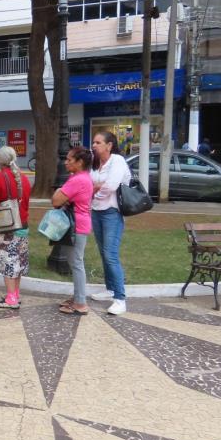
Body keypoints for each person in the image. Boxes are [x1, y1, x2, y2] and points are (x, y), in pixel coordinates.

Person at [90, 131, 132, 315]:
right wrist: (97, 190)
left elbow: (112, 185)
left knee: (110, 254)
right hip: (96, 212)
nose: (94, 145)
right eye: (93, 142)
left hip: (112, 212)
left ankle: (120, 298)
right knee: (103, 252)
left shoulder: (117, 161)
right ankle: (110, 289)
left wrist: (95, 193)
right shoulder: (95, 163)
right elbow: (89, 183)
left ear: (109, 145)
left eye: (98, 142)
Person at [0, 146, 31, 308]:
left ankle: (11, 299)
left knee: (8, 262)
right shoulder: (23, 178)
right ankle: (15, 294)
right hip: (23, 226)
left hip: (6, 228)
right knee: (18, 262)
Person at [52, 147, 94, 315]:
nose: (66, 162)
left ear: (80, 162)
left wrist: (58, 191)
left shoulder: (77, 180)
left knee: (76, 263)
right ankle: (78, 297)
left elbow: (55, 200)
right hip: (79, 224)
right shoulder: (82, 177)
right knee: (76, 262)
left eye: (70, 160)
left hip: (76, 226)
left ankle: (80, 303)